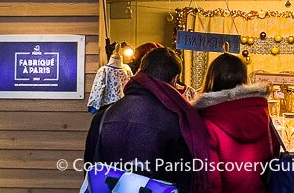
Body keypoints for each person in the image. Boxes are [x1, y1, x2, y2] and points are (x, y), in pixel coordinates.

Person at [84, 47, 210, 193]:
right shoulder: (179, 120)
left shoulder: (104, 114)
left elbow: (90, 169)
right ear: (175, 80)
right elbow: (185, 179)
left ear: (140, 71)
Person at [194, 53, 277, 193]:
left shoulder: (207, 121)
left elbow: (211, 178)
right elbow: (272, 154)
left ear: (211, 79)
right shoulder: (261, 113)